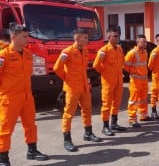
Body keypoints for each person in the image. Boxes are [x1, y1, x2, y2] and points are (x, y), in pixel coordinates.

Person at [0, 23, 48, 166]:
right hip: (10, 98)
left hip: (27, 97)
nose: (27, 39)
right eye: (24, 36)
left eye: (27, 36)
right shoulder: (3, 56)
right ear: (13, 37)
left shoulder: (28, 54)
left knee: (30, 125)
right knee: (5, 128)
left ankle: (32, 151)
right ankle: (3, 158)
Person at [53, 28, 102, 152]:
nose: (87, 40)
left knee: (87, 110)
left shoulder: (85, 50)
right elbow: (57, 68)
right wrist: (67, 79)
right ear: (77, 38)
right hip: (72, 88)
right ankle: (67, 139)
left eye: (86, 37)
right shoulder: (67, 52)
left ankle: (88, 133)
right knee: (69, 113)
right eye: (85, 38)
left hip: (84, 86)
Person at [93, 27, 127, 136]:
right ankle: (105, 126)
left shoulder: (119, 49)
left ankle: (114, 124)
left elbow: (122, 62)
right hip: (108, 82)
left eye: (118, 36)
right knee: (106, 104)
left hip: (118, 81)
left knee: (116, 103)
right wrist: (106, 72)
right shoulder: (103, 51)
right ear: (109, 37)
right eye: (115, 36)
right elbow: (96, 66)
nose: (118, 38)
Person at [124, 35, 154, 128]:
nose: (145, 43)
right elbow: (125, 66)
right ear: (137, 42)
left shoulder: (144, 52)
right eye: (143, 42)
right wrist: (133, 73)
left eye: (145, 42)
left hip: (144, 80)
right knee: (134, 100)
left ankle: (143, 115)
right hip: (135, 81)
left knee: (143, 99)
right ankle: (132, 119)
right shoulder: (131, 53)